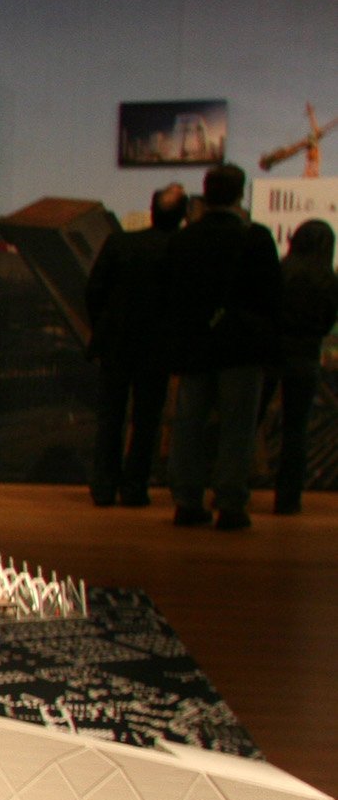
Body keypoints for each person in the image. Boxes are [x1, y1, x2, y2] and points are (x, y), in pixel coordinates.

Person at [163, 162, 281, 529]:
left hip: (195, 346)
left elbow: (170, 295)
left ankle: (187, 501)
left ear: (206, 192)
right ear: (240, 194)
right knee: (237, 428)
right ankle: (230, 503)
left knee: (189, 425)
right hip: (241, 347)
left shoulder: (185, 239)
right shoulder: (256, 238)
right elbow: (271, 297)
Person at [81, 184, 184, 506]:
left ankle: (103, 486)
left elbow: (93, 291)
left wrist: (103, 327)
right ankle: (135, 487)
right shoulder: (179, 250)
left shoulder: (120, 243)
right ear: (181, 216)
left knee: (110, 417)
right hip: (157, 347)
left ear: (152, 210)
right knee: (147, 420)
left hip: (116, 342)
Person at [272, 218, 337, 515]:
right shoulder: (328, 279)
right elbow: (327, 322)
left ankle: (232, 490)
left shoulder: (281, 270)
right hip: (306, 354)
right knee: (296, 429)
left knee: (249, 424)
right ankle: (288, 498)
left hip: (272, 351)